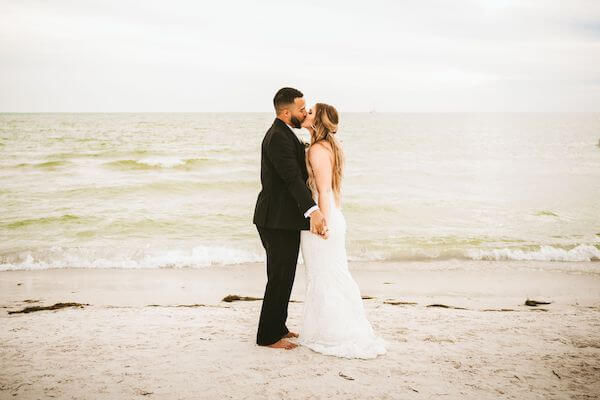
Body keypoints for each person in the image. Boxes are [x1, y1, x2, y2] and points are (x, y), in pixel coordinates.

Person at [297, 103, 387, 359]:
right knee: (327, 274)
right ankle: (327, 329)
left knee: (324, 275)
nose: (306, 114)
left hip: (324, 218)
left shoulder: (317, 149)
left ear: (319, 122)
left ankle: (332, 333)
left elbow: (324, 190)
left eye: (311, 112)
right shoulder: (329, 147)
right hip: (333, 215)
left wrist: (321, 222)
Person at [252, 87, 328, 350]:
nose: (305, 112)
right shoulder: (277, 138)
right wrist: (313, 210)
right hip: (275, 220)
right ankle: (268, 337)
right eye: (301, 109)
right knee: (279, 276)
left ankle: (279, 326)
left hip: (282, 219)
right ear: (286, 112)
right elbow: (291, 179)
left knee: (285, 275)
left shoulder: (285, 133)